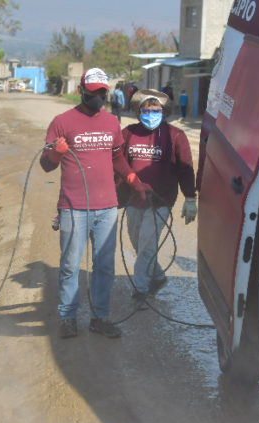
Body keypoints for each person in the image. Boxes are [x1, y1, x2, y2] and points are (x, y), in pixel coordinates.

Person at [40, 67, 151, 339]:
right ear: (82, 91)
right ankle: (68, 317)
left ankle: (100, 317)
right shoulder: (61, 122)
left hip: (107, 208)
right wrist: (56, 153)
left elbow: (117, 159)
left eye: (103, 92)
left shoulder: (112, 123)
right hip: (73, 207)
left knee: (104, 266)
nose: (99, 97)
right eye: (93, 93)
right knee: (70, 264)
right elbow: (45, 165)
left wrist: (132, 177)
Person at [120, 89, 197, 301]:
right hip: (133, 199)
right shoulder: (129, 133)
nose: (151, 114)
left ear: (164, 112)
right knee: (138, 243)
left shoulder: (175, 136)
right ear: (138, 112)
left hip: (161, 200)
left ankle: (141, 290)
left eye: (156, 110)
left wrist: (190, 198)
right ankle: (159, 276)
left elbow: (186, 168)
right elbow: (118, 163)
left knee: (146, 245)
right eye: (146, 110)